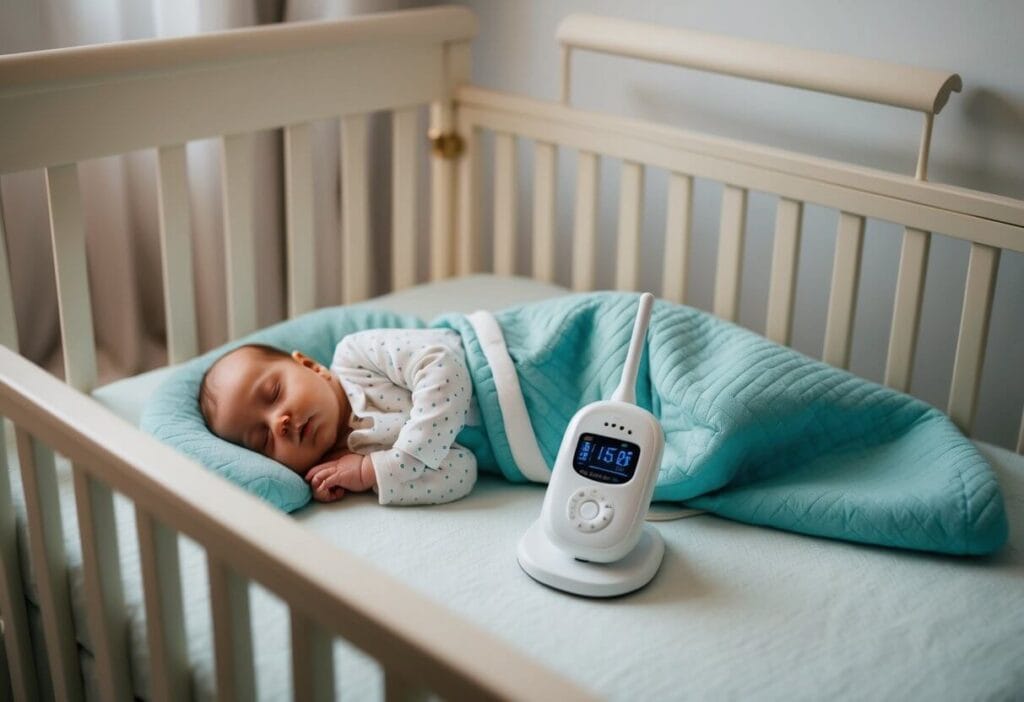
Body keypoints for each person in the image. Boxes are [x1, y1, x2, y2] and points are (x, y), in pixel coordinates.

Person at [198, 329, 478, 505]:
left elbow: (442, 364)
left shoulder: (356, 357)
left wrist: (405, 459)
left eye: (274, 393)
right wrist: (371, 473)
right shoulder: (356, 463)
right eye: (263, 438)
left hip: (504, 361)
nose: (278, 423)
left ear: (311, 366)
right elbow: (463, 472)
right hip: (519, 445)